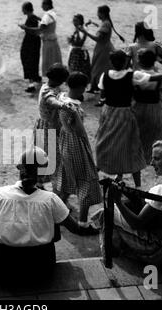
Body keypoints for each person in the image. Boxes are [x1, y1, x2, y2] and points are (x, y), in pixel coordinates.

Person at [0, 147, 81, 282]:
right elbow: (75, 228)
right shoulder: (51, 199)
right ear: (44, 174)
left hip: (1, 269)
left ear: (19, 167)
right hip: (43, 270)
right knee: (52, 217)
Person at [96, 138, 162, 268]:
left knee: (106, 213)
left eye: (157, 159)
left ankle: (111, 257)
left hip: (160, 253)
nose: (151, 163)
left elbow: (137, 223)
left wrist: (117, 201)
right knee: (126, 207)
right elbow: (151, 207)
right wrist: (126, 191)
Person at [95, 50, 162, 188]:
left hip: (114, 112)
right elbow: (155, 80)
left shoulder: (107, 75)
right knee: (133, 147)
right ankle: (138, 185)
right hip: (130, 113)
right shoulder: (134, 75)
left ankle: (101, 173)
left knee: (110, 143)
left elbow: (103, 95)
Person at [55, 72, 102, 235]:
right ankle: (82, 223)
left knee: (67, 179)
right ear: (81, 88)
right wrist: (89, 153)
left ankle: (58, 215)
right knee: (86, 184)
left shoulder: (61, 97)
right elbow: (81, 133)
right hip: (76, 144)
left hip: (65, 141)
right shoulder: (74, 108)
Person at [34, 63, 70, 186]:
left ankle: (41, 181)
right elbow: (52, 100)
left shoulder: (47, 86)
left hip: (47, 126)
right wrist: (63, 105)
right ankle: (41, 182)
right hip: (48, 128)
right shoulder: (47, 91)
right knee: (49, 156)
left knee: (45, 155)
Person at [79, 5, 124, 96]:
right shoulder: (106, 22)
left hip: (103, 49)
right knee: (99, 68)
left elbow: (98, 39)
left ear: (102, 14)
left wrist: (85, 32)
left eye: (98, 12)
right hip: (104, 47)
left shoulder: (106, 24)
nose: (97, 14)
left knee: (98, 69)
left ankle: (96, 88)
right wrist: (92, 24)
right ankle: (95, 87)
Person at [19, 0, 62, 77]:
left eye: (43, 5)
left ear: (47, 5)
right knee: (52, 59)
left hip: (48, 41)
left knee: (47, 61)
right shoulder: (52, 13)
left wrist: (25, 27)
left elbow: (39, 29)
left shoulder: (46, 16)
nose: (41, 7)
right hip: (52, 39)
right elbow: (44, 22)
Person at [18, 2, 41, 93]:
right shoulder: (33, 17)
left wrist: (24, 27)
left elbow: (33, 31)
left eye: (23, 9)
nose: (22, 10)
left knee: (27, 59)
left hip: (30, 41)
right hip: (35, 41)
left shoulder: (31, 18)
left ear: (26, 9)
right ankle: (36, 77)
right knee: (34, 59)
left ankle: (31, 83)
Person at [67, 14, 91, 83]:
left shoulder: (81, 30)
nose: (74, 22)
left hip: (78, 52)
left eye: (76, 20)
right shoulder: (81, 28)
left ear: (80, 21)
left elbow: (79, 43)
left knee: (77, 69)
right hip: (76, 51)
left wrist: (71, 40)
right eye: (73, 20)